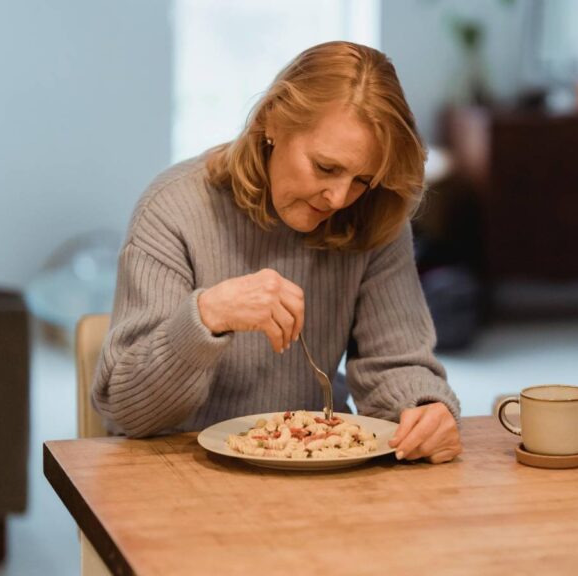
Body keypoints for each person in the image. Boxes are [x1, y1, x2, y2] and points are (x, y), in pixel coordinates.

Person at [92, 41, 462, 464]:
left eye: (362, 179)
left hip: (315, 473)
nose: (340, 198)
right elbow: (127, 410)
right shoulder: (173, 209)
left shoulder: (373, 214)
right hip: (179, 471)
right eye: (326, 167)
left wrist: (421, 410)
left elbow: (395, 363)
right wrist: (207, 316)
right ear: (273, 121)